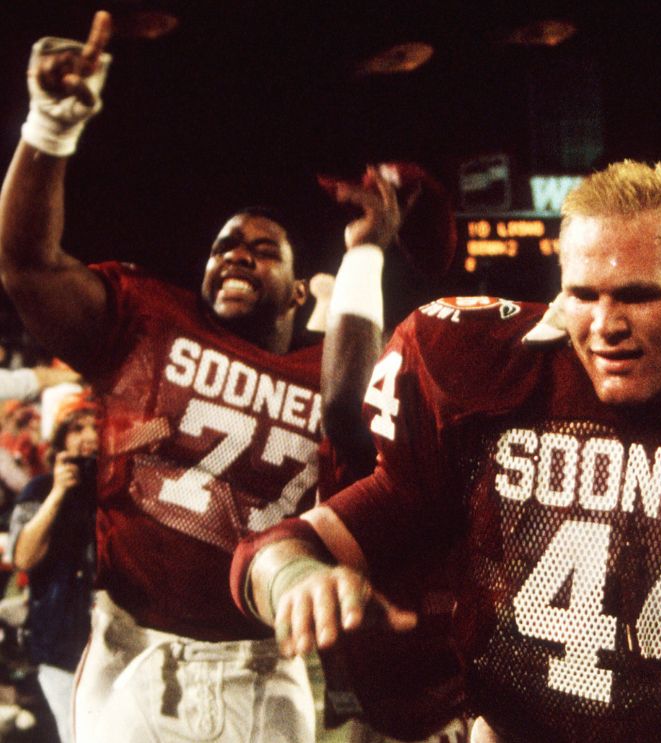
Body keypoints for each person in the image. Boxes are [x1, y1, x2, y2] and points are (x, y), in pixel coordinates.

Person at [232, 160, 661, 743]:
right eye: (582, 294)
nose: (605, 325)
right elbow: (286, 544)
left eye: (639, 296)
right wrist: (294, 581)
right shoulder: (495, 383)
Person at [0, 12, 398, 742]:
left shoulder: (325, 370)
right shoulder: (147, 322)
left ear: (301, 292)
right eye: (222, 246)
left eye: (260, 249)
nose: (236, 255)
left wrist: (368, 255)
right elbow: (26, 262)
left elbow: (353, 407)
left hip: (266, 655)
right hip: (136, 653)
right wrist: (50, 128)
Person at [8, 393, 99, 743]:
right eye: (77, 428)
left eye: (96, 427)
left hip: (115, 639)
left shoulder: (117, 488)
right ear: (60, 438)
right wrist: (58, 493)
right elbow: (24, 557)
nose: (89, 437)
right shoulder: (38, 489)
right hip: (61, 644)